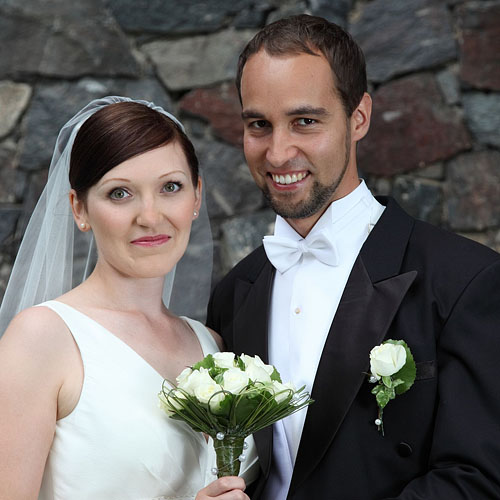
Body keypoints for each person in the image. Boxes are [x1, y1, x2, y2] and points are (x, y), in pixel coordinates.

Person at [206, 14, 500, 500]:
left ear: (358, 117)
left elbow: (479, 480)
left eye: (305, 121)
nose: (278, 153)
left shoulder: (466, 281)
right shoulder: (233, 294)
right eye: (259, 125)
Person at [0, 96, 257, 500]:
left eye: (171, 187)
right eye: (120, 193)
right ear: (79, 208)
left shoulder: (214, 345)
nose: (150, 216)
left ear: (196, 197)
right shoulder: (42, 339)